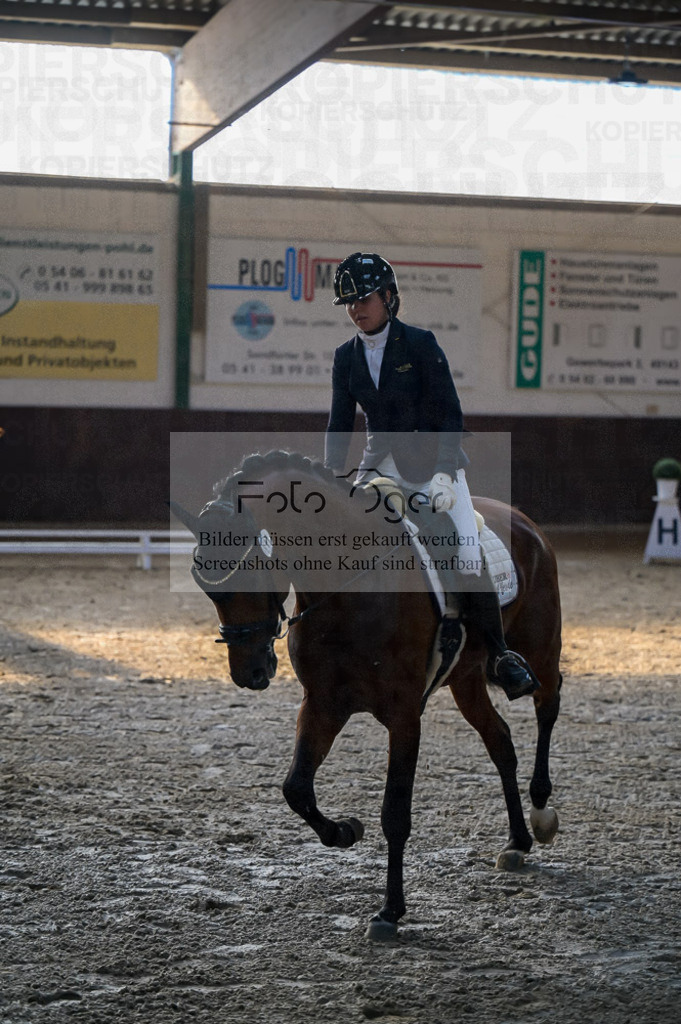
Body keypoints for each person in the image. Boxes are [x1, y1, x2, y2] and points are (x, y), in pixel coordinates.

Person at [324, 251, 539, 701]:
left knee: (463, 546)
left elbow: (451, 412)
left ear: (388, 297)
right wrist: (330, 479)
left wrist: (444, 472)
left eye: (362, 299)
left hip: (434, 468)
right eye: (348, 303)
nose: (355, 310)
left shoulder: (421, 344)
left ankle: (499, 654)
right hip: (379, 466)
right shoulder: (345, 357)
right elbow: (339, 424)